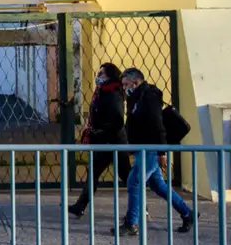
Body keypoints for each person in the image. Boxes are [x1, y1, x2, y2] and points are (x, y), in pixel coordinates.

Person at [112, 68, 196, 236]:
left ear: (136, 82)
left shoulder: (149, 96)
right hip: (141, 148)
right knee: (158, 185)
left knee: (134, 182)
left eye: (126, 84)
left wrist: (161, 152)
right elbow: (134, 123)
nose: (124, 88)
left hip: (150, 148)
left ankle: (131, 223)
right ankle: (188, 213)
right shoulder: (135, 97)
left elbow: (157, 125)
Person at [68, 63, 132, 217]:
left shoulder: (113, 93)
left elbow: (117, 120)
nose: (98, 76)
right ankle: (80, 205)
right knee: (93, 173)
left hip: (115, 142)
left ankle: (142, 207)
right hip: (103, 141)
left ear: (110, 76)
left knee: (127, 176)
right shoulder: (102, 91)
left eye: (101, 73)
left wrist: (101, 132)